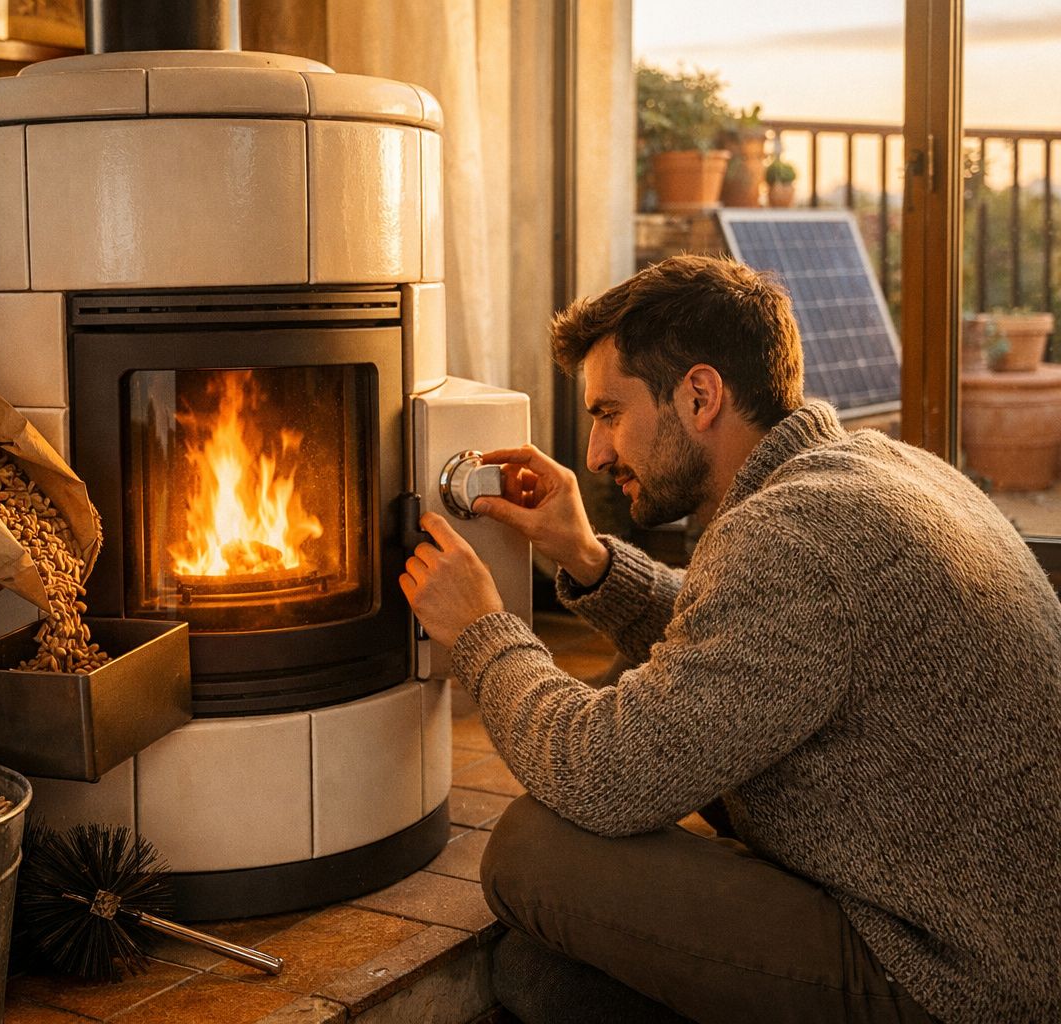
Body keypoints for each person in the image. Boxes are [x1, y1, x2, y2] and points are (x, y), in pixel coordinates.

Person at [400, 255, 1061, 1023]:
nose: (596, 455)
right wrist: (586, 556)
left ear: (700, 394)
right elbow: (752, 645)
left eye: (609, 413)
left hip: (962, 983)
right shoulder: (877, 469)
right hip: (1000, 933)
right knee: (539, 977)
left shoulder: (793, 536)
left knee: (532, 854)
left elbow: (602, 774)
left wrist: (483, 634)